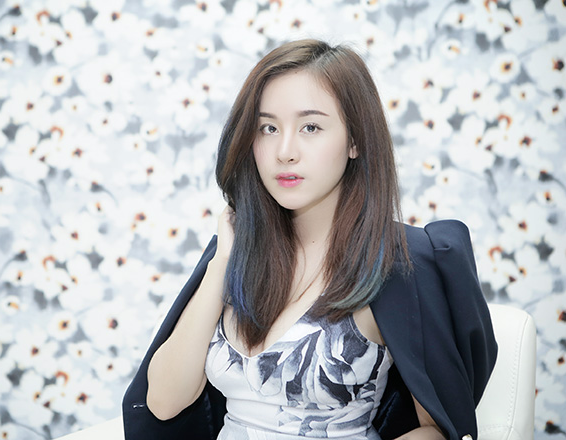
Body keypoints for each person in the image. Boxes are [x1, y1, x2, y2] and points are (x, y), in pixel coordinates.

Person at [122, 39, 497, 440]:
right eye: (268, 128)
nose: (284, 151)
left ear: (355, 141)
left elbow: (437, 429)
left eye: (311, 127)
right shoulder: (236, 251)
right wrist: (221, 265)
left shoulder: (397, 261)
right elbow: (164, 402)